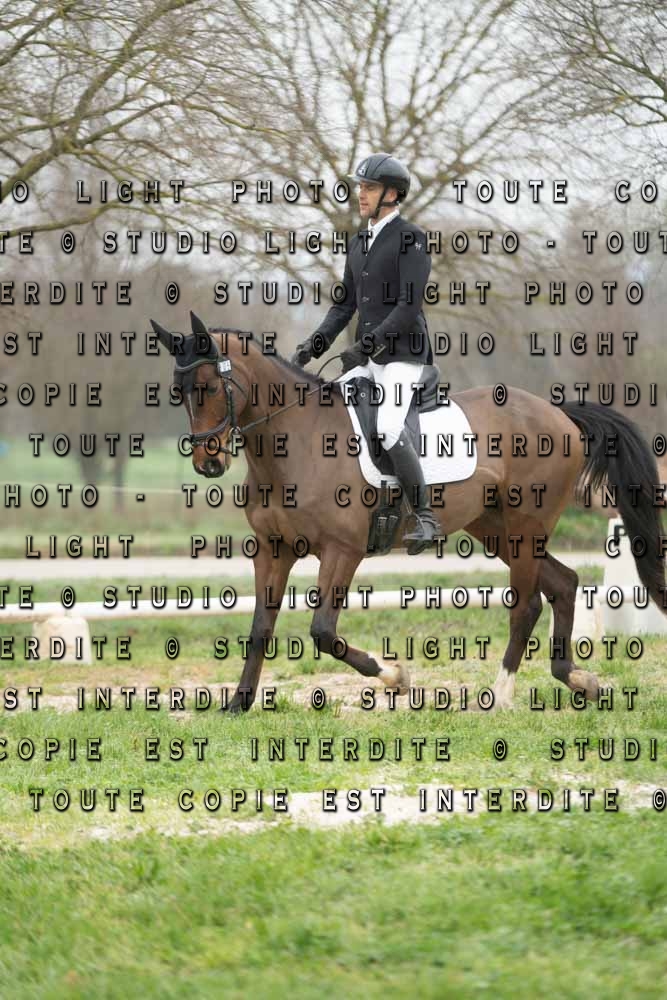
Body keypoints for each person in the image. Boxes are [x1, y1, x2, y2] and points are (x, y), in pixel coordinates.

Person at [291, 152, 440, 553]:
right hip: (369, 360)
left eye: (369, 188)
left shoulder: (412, 239)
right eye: (360, 187)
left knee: (388, 428)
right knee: (327, 412)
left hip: (404, 358)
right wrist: (312, 346)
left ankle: (425, 516)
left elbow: (407, 307)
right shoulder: (359, 243)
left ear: (392, 194)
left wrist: (366, 346)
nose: (360, 194)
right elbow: (344, 306)